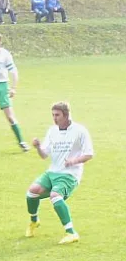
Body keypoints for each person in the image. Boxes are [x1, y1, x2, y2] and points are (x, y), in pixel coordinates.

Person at [25, 102, 94, 245]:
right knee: (32, 192)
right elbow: (44, 155)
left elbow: (89, 154)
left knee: (55, 196)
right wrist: (38, 147)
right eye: (53, 115)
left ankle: (71, 233)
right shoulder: (52, 131)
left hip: (69, 174)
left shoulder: (80, 131)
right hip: (52, 172)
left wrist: (74, 161)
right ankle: (34, 221)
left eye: (57, 115)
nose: (54, 118)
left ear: (66, 115)